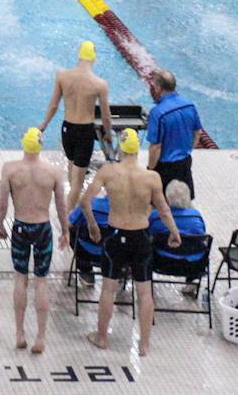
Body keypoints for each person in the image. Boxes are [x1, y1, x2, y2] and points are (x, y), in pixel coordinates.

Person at [81, 129, 181, 355]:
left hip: (115, 236)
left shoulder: (108, 172)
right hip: (141, 237)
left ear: (120, 148)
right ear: (138, 150)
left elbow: (85, 201)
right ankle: (144, 345)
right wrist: (174, 231)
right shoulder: (151, 177)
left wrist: (92, 226)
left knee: (108, 289)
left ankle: (101, 337)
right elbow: (163, 210)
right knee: (144, 293)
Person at [0, 127, 63, 354]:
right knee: (41, 281)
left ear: (23, 144)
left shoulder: (10, 169)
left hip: (21, 228)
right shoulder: (52, 172)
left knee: (20, 278)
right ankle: (41, 337)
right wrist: (66, 231)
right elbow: (61, 206)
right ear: (41, 146)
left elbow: (3, 203)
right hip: (43, 228)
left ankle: (19, 333)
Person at [42, 40, 112, 215]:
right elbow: (105, 115)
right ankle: (68, 217)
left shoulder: (62, 76)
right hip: (84, 131)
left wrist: (43, 124)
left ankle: (70, 205)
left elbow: (53, 105)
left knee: (72, 168)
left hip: (67, 129)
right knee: (78, 181)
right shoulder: (99, 84)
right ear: (93, 58)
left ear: (79, 55)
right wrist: (108, 134)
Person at [144, 70, 202, 200]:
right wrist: (186, 151)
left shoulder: (158, 113)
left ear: (158, 88)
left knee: (161, 207)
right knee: (184, 202)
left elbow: (155, 147)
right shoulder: (189, 105)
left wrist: (150, 169)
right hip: (185, 164)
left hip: (166, 168)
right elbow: (198, 132)